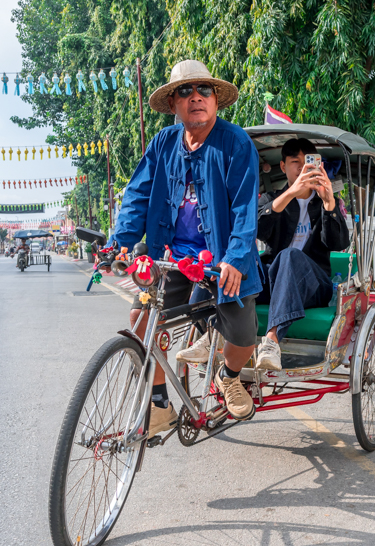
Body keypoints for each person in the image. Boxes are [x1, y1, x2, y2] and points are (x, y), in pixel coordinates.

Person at [106, 60, 262, 436]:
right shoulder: (162, 143)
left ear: (215, 100)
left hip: (223, 258)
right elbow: (138, 196)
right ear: (173, 104)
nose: (196, 98)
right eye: (186, 92)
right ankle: (160, 404)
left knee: (243, 334)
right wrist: (119, 242)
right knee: (141, 319)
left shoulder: (235, 142)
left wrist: (237, 258)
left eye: (204, 91)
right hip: (170, 257)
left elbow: (244, 206)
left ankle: (229, 376)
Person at [251, 138, 349, 370]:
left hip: (315, 285)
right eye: (296, 162)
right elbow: (257, 231)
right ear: (283, 166)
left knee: (290, 255)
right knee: (240, 264)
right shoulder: (271, 200)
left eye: (308, 161)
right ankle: (213, 331)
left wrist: (329, 203)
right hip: (275, 280)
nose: (302, 167)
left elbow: (338, 243)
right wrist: (290, 194)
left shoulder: (325, 202)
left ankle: (272, 340)